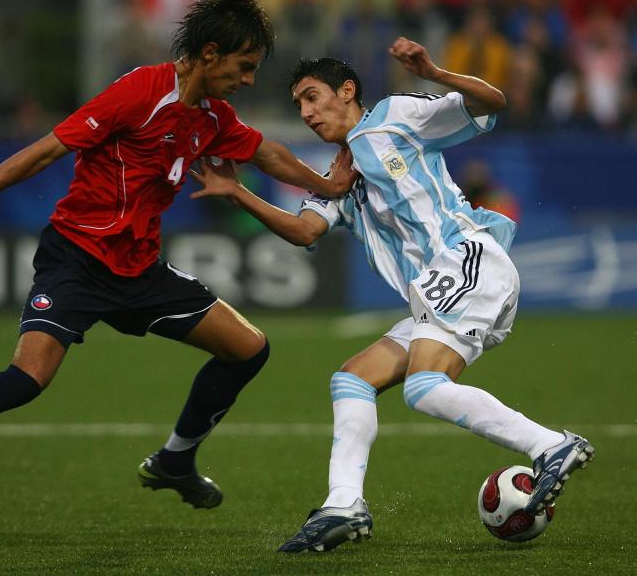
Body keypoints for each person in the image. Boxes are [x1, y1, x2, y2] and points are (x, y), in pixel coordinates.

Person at [0, 0, 355, 528]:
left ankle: (175, 460)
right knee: (25, 380)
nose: (250, 80)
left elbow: (269, 154)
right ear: (210, 54)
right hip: (77, 261)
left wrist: (328, 186)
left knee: (249, 348)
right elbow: (46, 149)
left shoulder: (212, 118)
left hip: (140, 271)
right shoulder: (139, 92)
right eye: (244, 66)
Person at [190, 38, 595, 553]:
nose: (307, 112)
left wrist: (432, 71)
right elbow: (304, 231)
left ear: (348, 91)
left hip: (464, 259)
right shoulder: (337, 179)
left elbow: (492, 102)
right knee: (352, 379)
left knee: (423, 387)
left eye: (313, 97)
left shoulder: (394, 117)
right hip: (436, 290)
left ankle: (551, 446)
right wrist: (237, 192)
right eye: (298, 106)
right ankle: (343, 505)